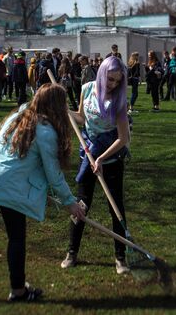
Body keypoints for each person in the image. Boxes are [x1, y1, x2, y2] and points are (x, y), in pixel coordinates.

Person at [0, 83, 86, 302]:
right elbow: (53, 175)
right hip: (9, 189)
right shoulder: (46, 132)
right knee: (16, 237)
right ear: (57, 106)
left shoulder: (17, 118)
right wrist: (70, 203)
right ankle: (18, 290)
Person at [60, 56, 131, 275]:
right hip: (88, 154)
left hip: (110, 158)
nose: (113, 84)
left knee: (115, 207)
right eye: (110, 79)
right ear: (101, 74)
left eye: (117, 81)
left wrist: (102, 159)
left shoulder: (119, 100)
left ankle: (120, 258)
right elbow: (81, 118)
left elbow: (124, 137)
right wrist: (64, 111)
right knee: (81, 205)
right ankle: (72, 252)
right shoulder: (87, 89)